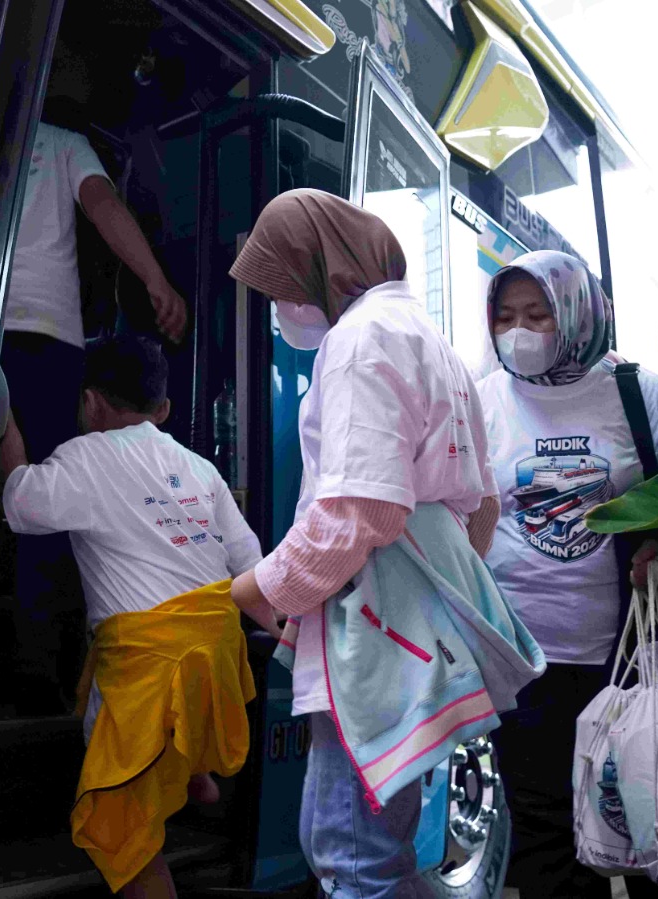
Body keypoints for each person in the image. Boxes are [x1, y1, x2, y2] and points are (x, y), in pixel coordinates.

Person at [225, 190, 523, 899]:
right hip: (414, 611)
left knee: (351, 848)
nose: (280, 307)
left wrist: (266, 586)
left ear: (322, 268)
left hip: (376, 614)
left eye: (283, 287)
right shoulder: (430, 340)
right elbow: (481, 506)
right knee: (368, 837)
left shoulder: (358, 340)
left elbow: (362, 504)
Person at [476, 251, 658, 899]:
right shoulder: (483, 401)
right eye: (505, 316)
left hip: (631, 659)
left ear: (578, 313)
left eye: (538, 313)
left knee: (651, 821)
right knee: (544, 833)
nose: (520, 331)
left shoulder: (637, 395)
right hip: (522, 664)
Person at [0, 335, 261, 898]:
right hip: (217, 655)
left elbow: (21, 505)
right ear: (162, 409)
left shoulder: (84, 458)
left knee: (123, 830)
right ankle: (193, 772)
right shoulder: (200, 468)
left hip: (150, 665)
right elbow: (250, 562)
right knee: (182, 677)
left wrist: (7, 428)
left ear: (90, 403)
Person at [0, 114, 189, 713]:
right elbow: (105, 208)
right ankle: (37, 676)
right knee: (49, 517)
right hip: (50, 342)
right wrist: (157, 280)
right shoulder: (65, 142)